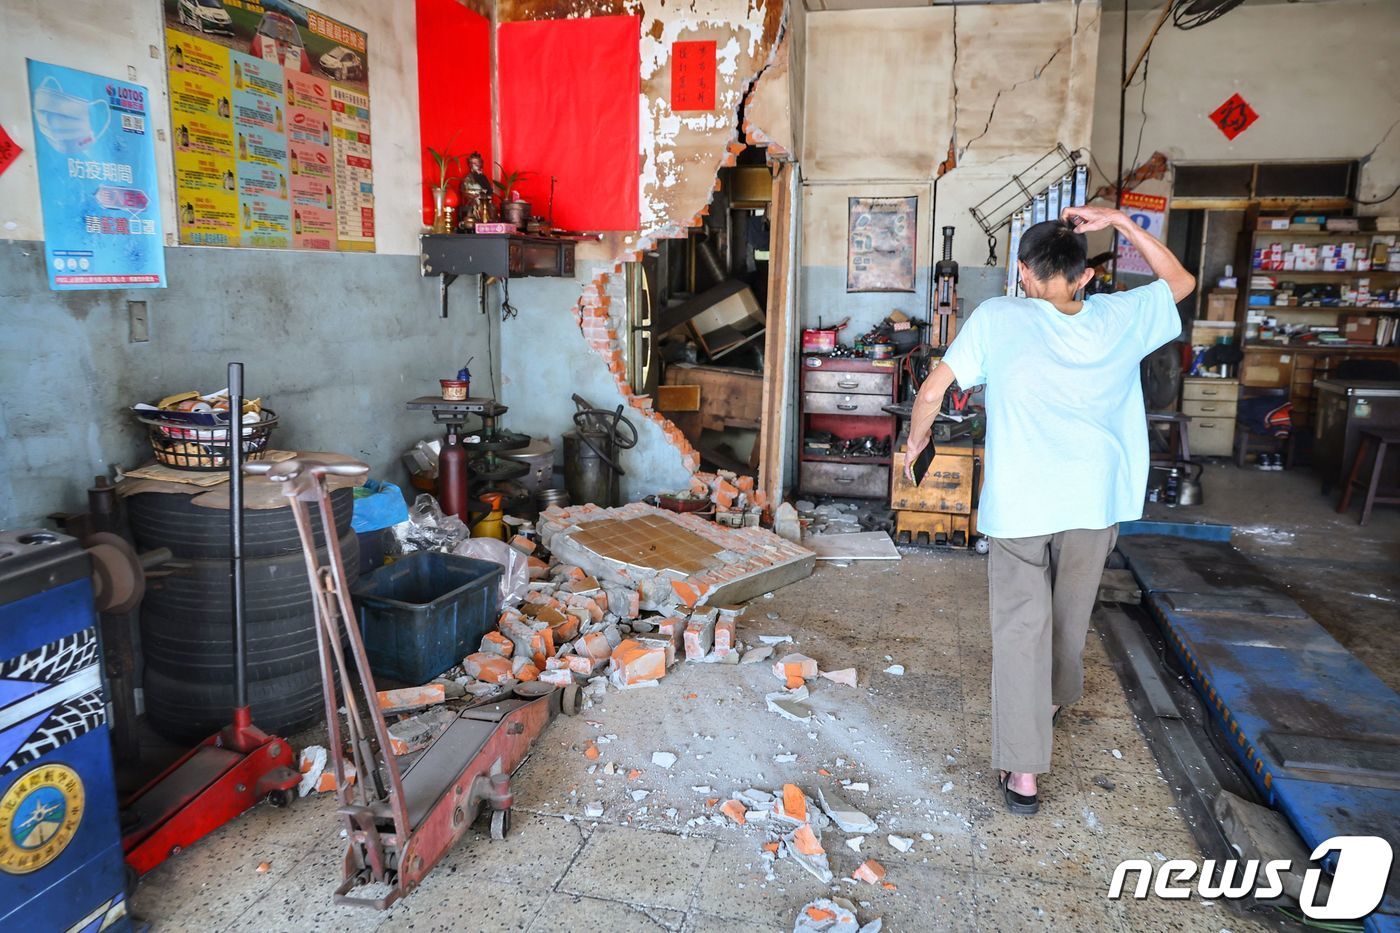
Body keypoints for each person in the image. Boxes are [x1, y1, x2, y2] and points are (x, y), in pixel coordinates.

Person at [904, 205, 1194, 815]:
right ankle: (1053, 704)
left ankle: (1025, 770)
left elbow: (934, 389)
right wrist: (1120, 222)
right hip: (1094, 498)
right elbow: (1181, 283)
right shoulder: (1121, 315)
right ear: (1085, 277)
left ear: (1023, 273)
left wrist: (915, 445)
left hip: (1021, 504)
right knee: (1069, 614)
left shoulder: (1000, 315)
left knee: (1020, 628)